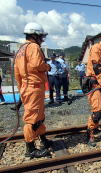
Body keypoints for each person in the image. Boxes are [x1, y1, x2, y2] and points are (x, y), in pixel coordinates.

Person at [14, 22, 52, 158]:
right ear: (34, 35)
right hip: (34, 87)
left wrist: (21, 90)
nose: (42, 39)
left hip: (27, 87)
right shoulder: (34, 47)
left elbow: (17, 73)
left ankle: (43, 140)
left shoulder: (20, 50)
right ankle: (30, 149)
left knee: (39, 116)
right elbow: (37, 64)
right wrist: (47, 66)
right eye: (40, 37)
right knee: (33, 119)